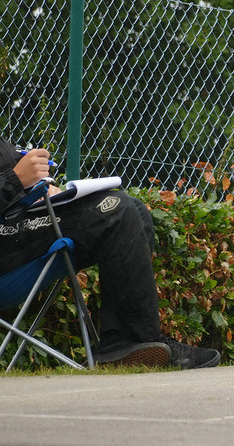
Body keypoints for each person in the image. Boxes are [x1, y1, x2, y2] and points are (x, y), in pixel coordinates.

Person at [0, 140, 221, 369]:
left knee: (136, 211)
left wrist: (40, 185)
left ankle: (122, 341)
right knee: (116, 209)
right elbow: (13, 179)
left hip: (21, 222)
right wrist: (16, 181)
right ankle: (137, 340)